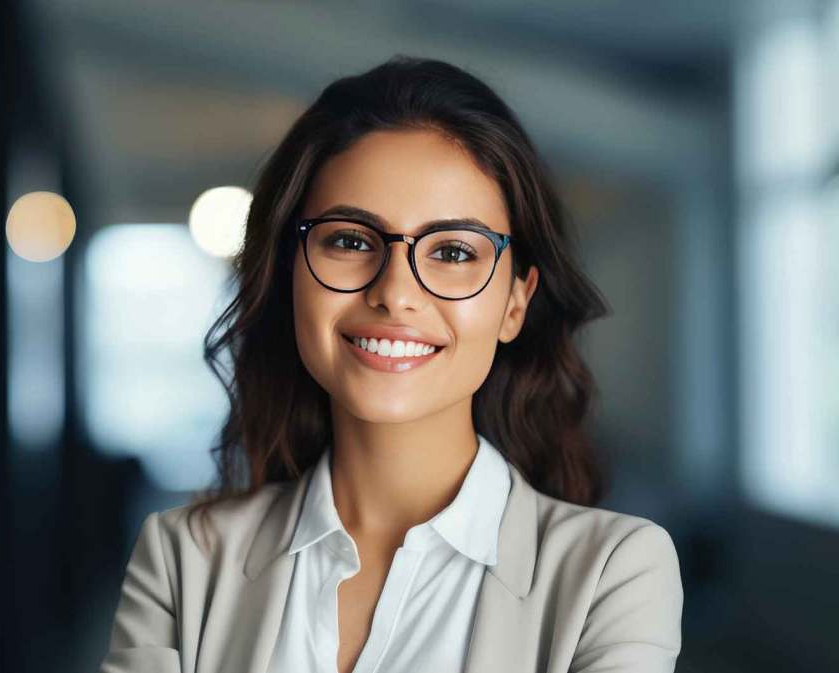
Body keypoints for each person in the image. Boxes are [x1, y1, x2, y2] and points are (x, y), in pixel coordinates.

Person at [99, 55, 683, 673]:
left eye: (453, 251)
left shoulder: (613, 572)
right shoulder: (183, 559)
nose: (395, 292)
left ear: (516, 302)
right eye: (350, 241)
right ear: (288, 273)